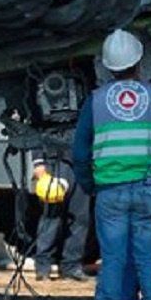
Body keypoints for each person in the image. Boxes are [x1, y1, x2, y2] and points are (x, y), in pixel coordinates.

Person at [73, 29, 151, 300]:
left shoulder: (96, 101)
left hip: (110, 190)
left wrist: (89, 184)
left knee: (113, 259)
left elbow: (80, 151)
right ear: (139, 61)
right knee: (147, 258)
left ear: (108, 66)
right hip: (149, 187)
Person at [31, 121, 90, 282]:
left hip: (82, 163)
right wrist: (38, 162)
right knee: (52, 217)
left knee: (80, 218)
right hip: (54, 161)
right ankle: (43, 266)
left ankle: (71, 267)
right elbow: (35, 125)